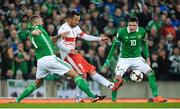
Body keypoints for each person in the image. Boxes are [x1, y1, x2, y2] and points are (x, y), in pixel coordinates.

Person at [10, 15, 105, 103]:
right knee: (76, 74)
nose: (42, 20)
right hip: (50, 59)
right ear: (37, 21)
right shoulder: (37, 29)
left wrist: (60, 35)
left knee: (37, 83)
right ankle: (92, 96)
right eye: (40, 19)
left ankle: (17, 100)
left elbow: (51, 40)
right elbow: (34, 32)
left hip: (41, 62)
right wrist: (36, 32)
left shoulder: (42, 32)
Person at [56, 10, 122, 103]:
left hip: (74, 54)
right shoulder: (63, 29)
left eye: (78, 20)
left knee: (88, 72)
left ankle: (79, 98)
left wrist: (100, 38)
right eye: (75, 20)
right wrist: (69, 50)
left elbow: (85, 36)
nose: (77, 22)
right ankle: (110, 86)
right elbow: (58, 44)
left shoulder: (76, 27)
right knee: (84, 74)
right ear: (70, 19)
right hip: (68, 56)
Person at [102, 16, 167, 102]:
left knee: (151, 73)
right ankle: (113, 100)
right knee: (116, 78)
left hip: (137, 58)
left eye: (133, 25)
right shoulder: (121, 32)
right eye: (130, 25)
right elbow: (114, 46)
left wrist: (147, 57)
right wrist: (108, 60)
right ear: (127, 25)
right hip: (124, 58)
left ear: (137, 25)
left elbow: (144, 44)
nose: (132, 27)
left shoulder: (142, 31)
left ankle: (156, 96)